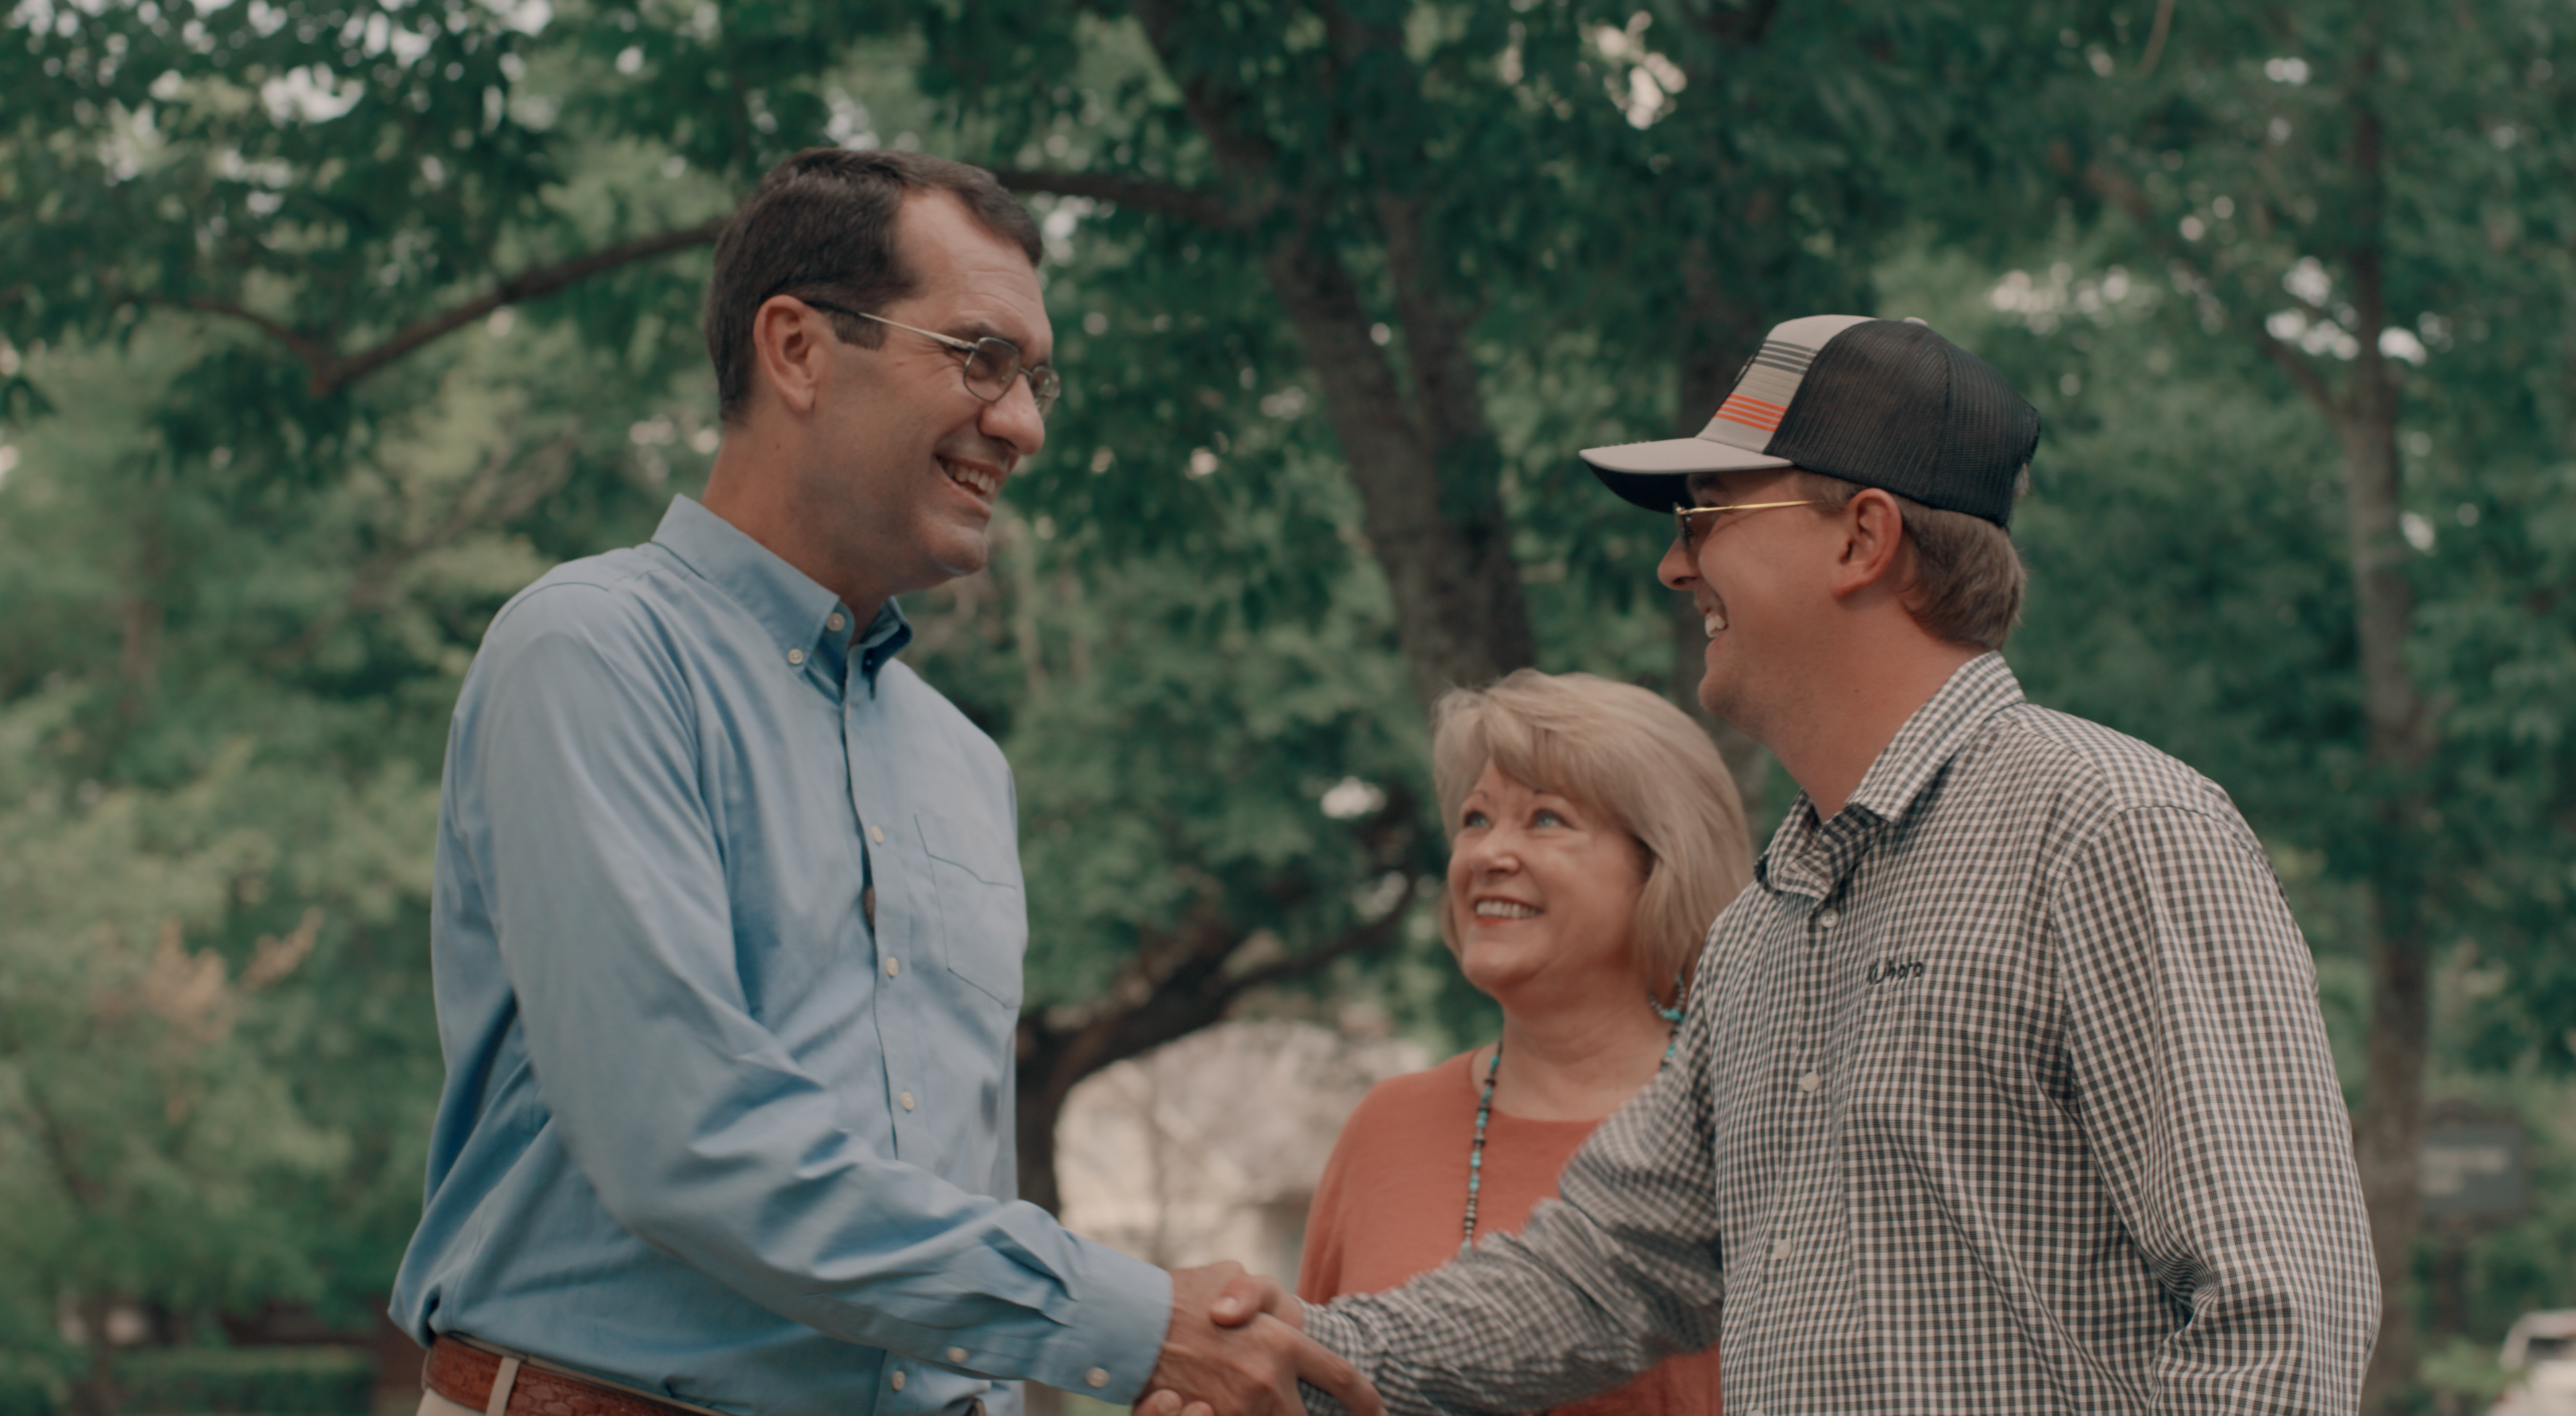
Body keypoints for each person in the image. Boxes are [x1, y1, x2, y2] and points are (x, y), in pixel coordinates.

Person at [1183, 314, 2379, 1414]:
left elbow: (2283, 1324)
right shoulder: (1766, 928)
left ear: (1863, 538)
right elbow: (1606, 1265)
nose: (1675, 565)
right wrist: (1308, 1353)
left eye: (1708, 516)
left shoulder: (2113, 830)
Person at [389, 148, 1377, 1416]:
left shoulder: (965, 767)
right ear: (797, 350)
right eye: (978, 358)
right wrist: (1130, 1324)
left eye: (1035, 378)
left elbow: (952, 1201)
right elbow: (682, 1138)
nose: (1024, 425)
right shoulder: (590, 653)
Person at [1298, 670, 1751, 1416]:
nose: (1487, 854)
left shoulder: (1752, 1111)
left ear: (1661, 865)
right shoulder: (1386, 1125)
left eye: (1545, 820)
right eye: (1476, 819)